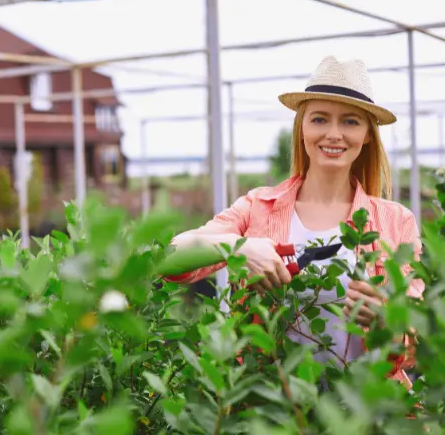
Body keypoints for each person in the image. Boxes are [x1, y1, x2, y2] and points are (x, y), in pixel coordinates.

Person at [167, 56, 424, 390]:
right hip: (271, 411)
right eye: (320, 119)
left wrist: (388, 323)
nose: (334, 134)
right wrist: (240, 248)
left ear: (367, 136)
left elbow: (417, 343)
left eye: (350, 122)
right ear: (302, 127)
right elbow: (171, 260)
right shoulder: (258, 207)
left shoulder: (395, 222)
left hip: (369, 417)